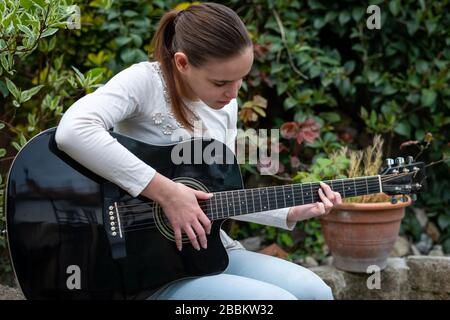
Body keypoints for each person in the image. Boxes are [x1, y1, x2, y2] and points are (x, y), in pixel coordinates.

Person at [55, 2, 341, 300]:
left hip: (202, 253)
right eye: (221, 82)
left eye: (240, 78)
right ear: (182, 63)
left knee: (314, 292)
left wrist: (291, 210)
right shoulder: (143, 82)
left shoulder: (225, 104)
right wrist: (167, 192)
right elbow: (74, 130)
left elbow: (214, 195)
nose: (233, 93)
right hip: (138, 267)